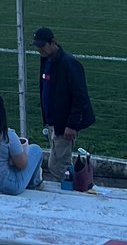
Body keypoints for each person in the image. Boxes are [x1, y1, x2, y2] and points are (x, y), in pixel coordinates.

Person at [34, 27, 96, 182]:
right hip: (54, 122)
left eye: (42, 45)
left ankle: (68, 191)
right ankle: (71, 188)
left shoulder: (69, 63)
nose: (40, 49)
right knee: (59, 163)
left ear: (53, 42)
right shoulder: (47, 60)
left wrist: (72, 125)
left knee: (58, 166)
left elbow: (80, 96)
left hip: (64, 124)